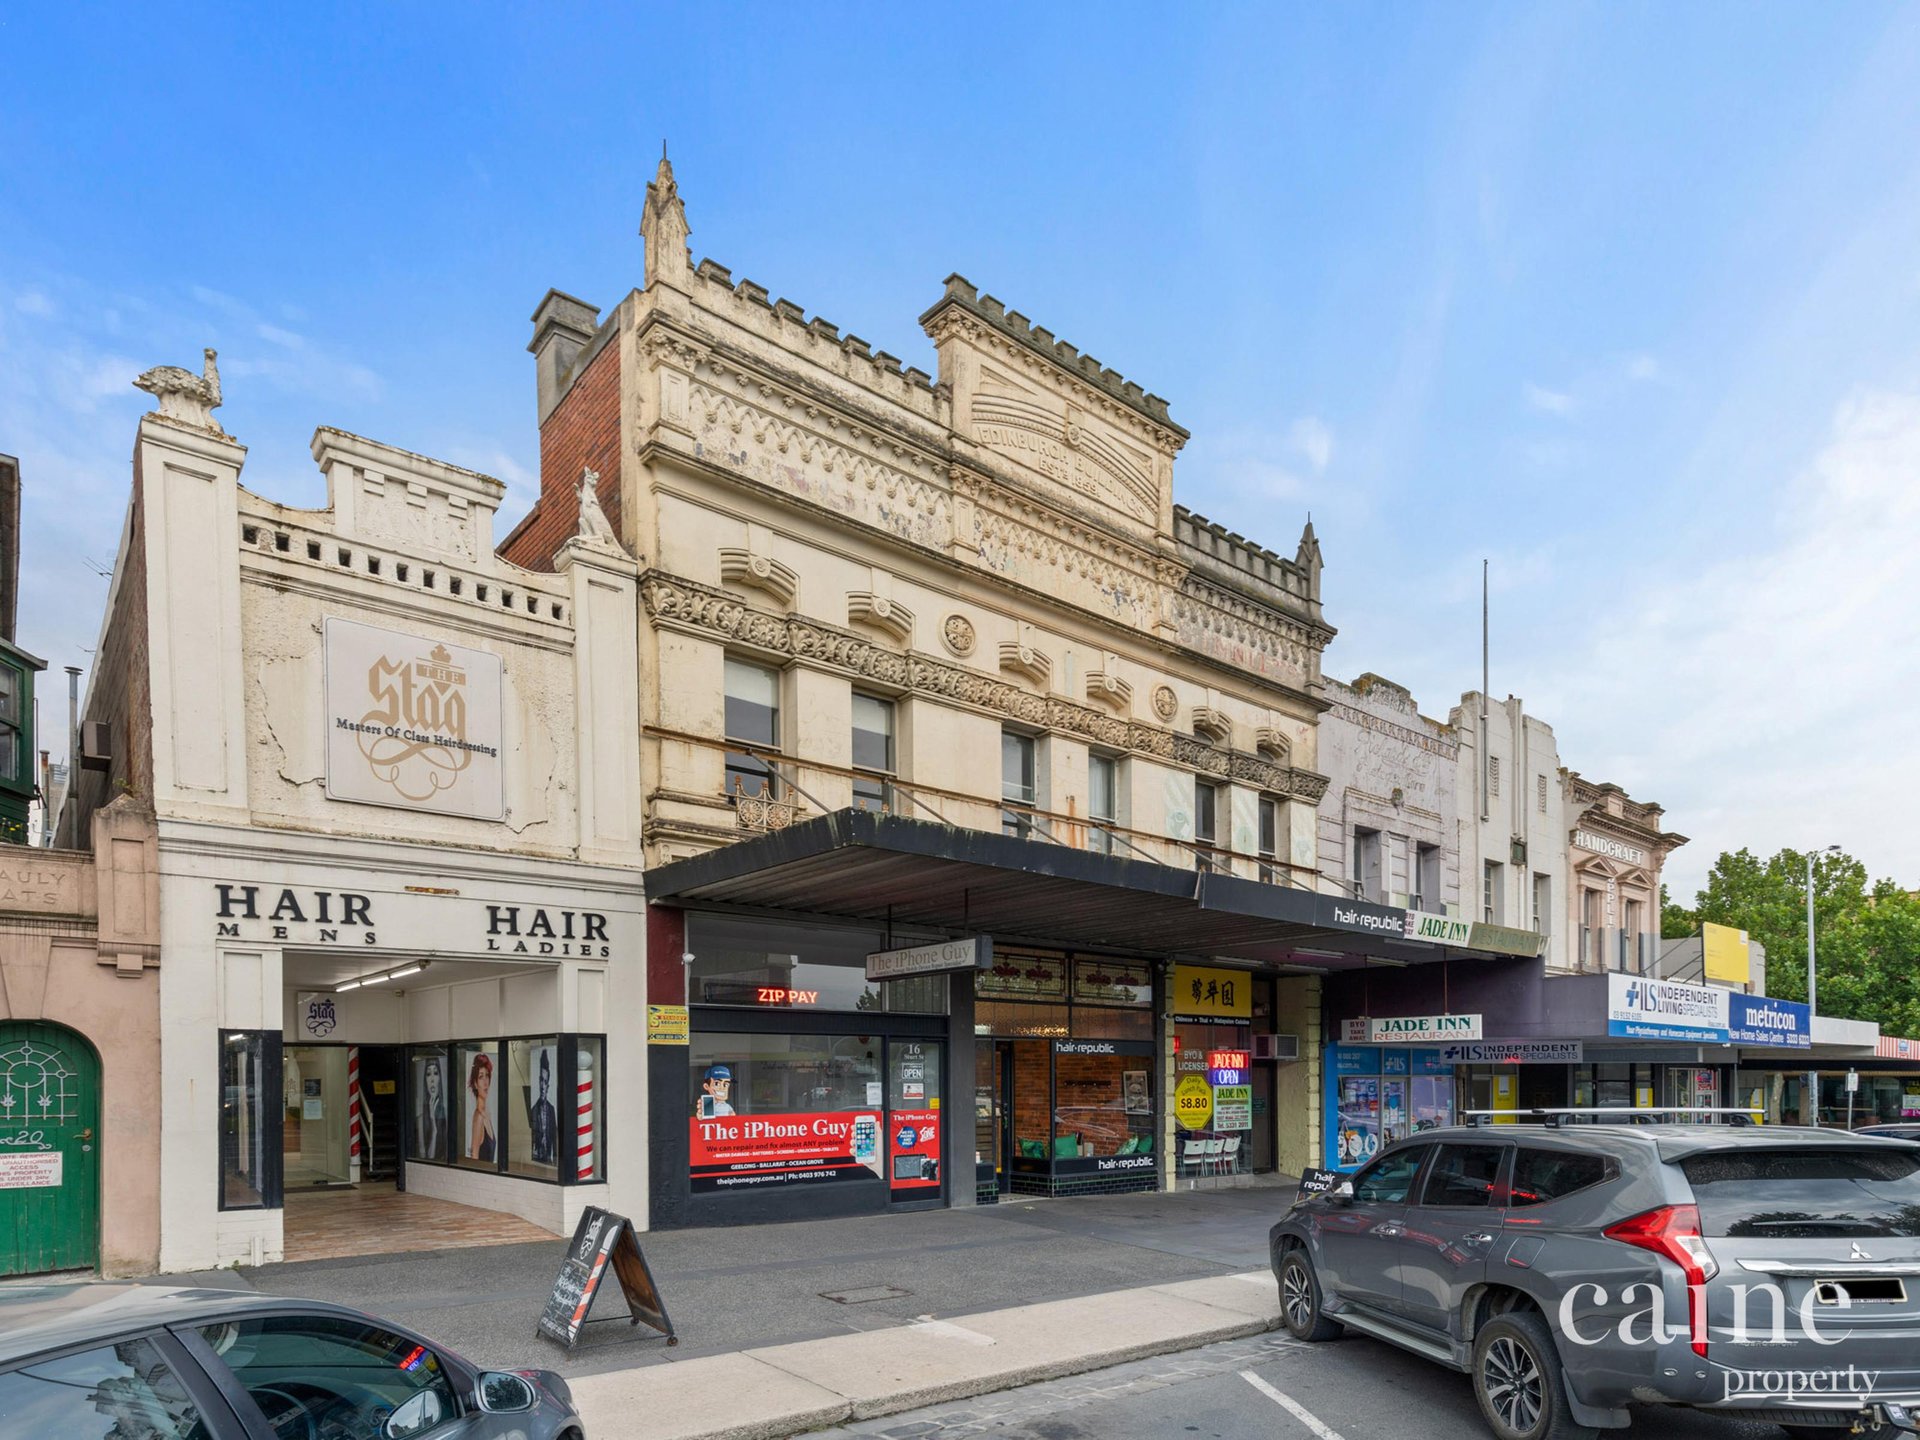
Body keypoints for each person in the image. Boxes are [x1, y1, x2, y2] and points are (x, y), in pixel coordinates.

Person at [529, 1049, 558, 1166]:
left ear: (548, 1085)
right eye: (541, 1080)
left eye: (545, 1082)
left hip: (549, 1159)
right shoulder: (534, 1109)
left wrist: (556, 1159)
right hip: (536, 1159)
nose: (542, 1086)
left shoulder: (551, 1110)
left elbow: (555, 1136)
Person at [415, 1056, 446, 1161]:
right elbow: (428, 1156)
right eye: (428, 1074)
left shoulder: (443, 1110)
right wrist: (434, 1129)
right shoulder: (421, 1115)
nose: (432, 1079)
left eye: (436, 1073)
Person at [467, 1052, 495, 1162]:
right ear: (475, 1083)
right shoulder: (479, 1116)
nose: (485, 1082)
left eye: (487, 1075)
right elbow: (474, 1156)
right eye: (481, 1077)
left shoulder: (486, 1114)